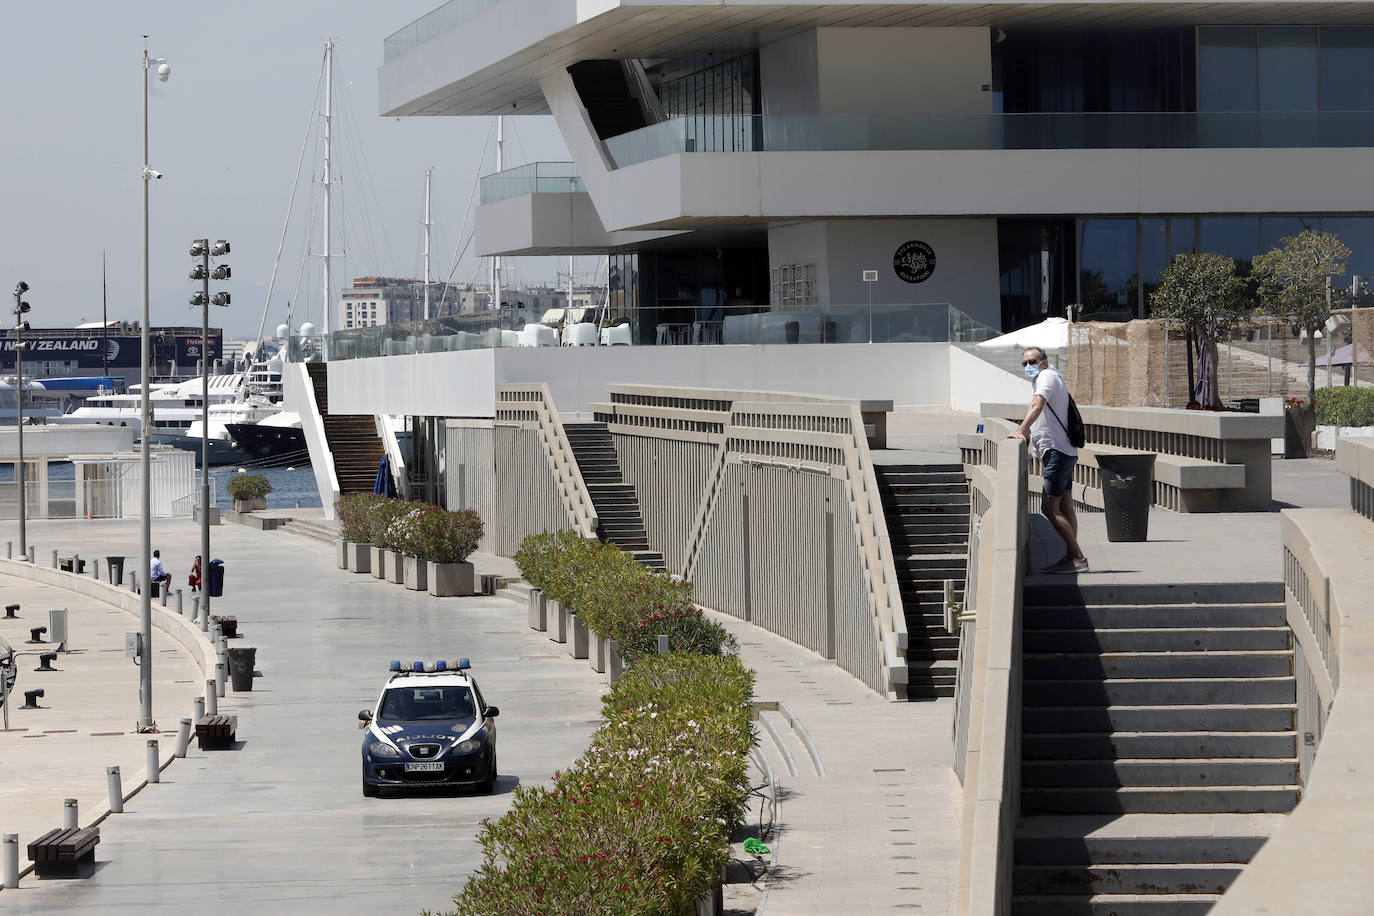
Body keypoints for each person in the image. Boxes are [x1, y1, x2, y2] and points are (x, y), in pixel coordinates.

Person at [1011, 347, 1088, 574]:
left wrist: (1021, 430)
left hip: (1057, 452)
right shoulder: (1048, 375)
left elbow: (1037, 405)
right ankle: (1069, 557)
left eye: (1032, 361)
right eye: (1024, 363)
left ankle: (1078, 557)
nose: (1028, 367)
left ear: (1043, 361)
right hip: (1061, 451)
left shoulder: (1046, 377)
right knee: (1065, 507)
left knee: (1049, 507)